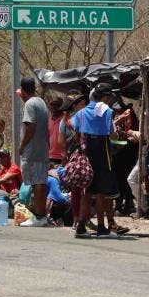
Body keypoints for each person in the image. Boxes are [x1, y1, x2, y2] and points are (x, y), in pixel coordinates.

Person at [71, 83, 119, 237]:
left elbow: (76, 132)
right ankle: (101, 227)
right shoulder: (107, 111)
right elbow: (112, 135)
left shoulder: (82, 113)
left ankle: (81, 226)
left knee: (87, 191)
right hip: (101, 153)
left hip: (86, 154)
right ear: (105, 97)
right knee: (101, 193)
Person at [17, 77, 50, 228]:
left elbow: (30, 127)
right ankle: (41, 215)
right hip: (43, 149)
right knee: (41, 182)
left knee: (36, 183)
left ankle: (38, 216)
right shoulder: (41, 102)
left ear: (23, 90)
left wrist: (22, 146)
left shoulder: (30, 104)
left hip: (33, 150)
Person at [57, 90, 88, 231]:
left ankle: (76, 218)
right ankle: (83, 218)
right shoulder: (82, 117)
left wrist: (67, 155)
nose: (84, 105)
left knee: (75, 189)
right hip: (84, 156)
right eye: (81, 103)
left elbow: (60, 142)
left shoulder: (63, 121)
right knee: (86, 189)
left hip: (71, 158)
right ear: (75, 105)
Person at [48, 97, 65, 165]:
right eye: (52, 105)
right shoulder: (48, 120)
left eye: (57, 105)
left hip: (62, 157)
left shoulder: (65, 120)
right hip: (50, 156)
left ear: (62, 107)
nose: (54, 107)